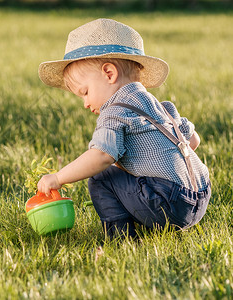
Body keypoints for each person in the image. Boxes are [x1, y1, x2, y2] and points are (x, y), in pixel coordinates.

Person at [36, 18, 211, 239]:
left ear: (109, 74)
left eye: (85, 92)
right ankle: (154, 219)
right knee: (124, 172)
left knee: (101, 178)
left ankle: (122, 239)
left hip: (168, 203)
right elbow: (192, 141)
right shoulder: (162, 107)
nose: (85, 103)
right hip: (200, 196)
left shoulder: (115, 111)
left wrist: (59, 178)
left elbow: (100, 156)